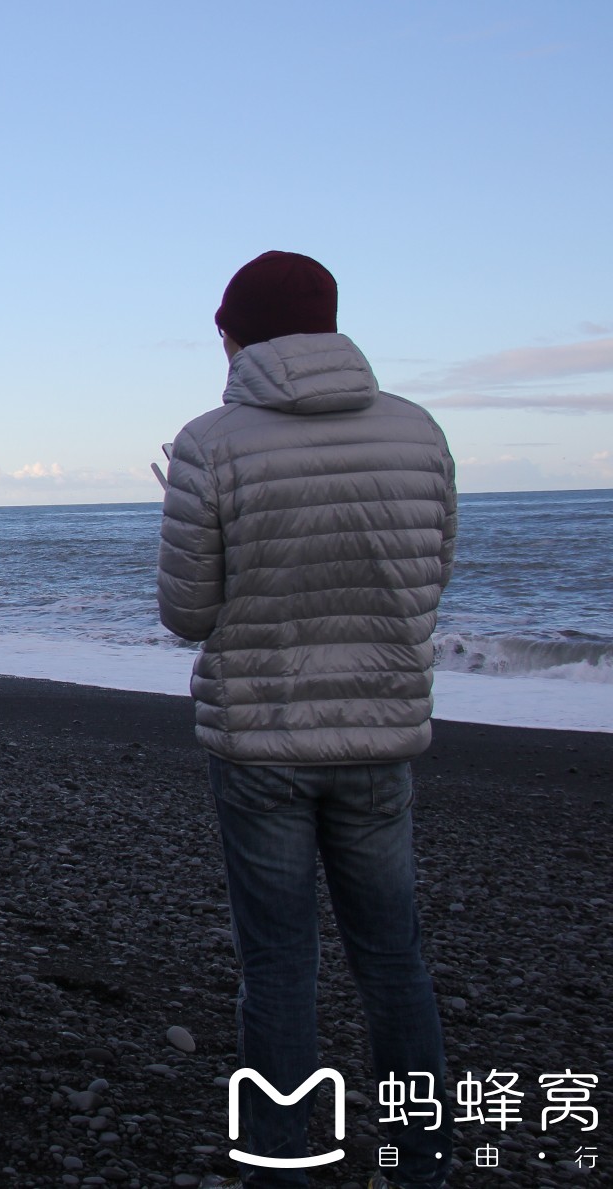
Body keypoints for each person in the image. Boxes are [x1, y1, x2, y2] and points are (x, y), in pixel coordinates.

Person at [157, 251, 457, 1189]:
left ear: (239, 333)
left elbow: (187, 614)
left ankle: (284, 1169)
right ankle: (421, 1166)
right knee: (394, 961)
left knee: (279, 965)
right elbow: (426, 579)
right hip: (379, 734)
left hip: (260, 741)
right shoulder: (419, 431)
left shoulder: (210, 443)